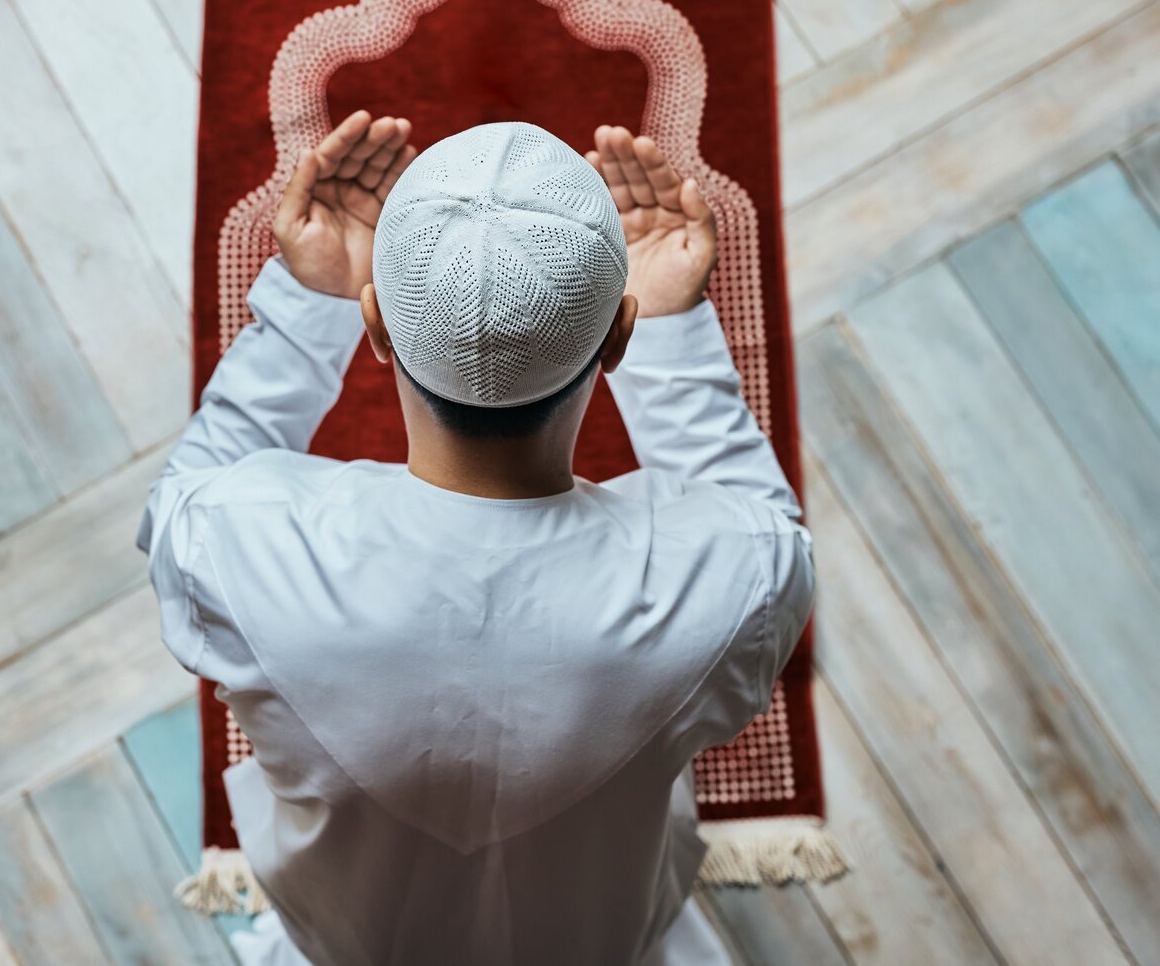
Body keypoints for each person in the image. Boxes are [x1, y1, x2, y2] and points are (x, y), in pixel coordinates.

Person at [139, 111, 815, 965]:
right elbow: (772, 541)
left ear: (376, 326)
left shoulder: (240, 545)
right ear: (617, 335)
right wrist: (677, 336)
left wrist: (306, 310)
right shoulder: (722, 581)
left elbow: (175, 504)